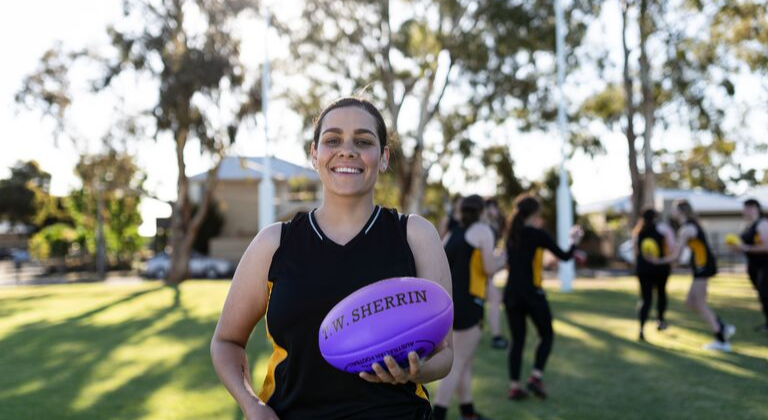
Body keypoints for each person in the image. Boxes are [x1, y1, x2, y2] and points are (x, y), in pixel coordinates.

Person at [210, 97, 454, 420]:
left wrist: (414, 370)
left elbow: (445, 354)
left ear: (383, 158)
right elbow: (226, 342)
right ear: (315, 155)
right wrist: (251, 405)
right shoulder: (274, 243)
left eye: (363, 141)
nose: (347, 150)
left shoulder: (415, 236)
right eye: (333, 140)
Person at [433, 195, 505, 420]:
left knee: (465, 361)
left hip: (448, 302)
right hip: (469, 303)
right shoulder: (483, 231)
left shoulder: (455, 233)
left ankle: (468, 412)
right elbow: (489, 268)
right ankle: (438, 414)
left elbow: (438, 259)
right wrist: (503, 259)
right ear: (482, 211)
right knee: (458, 364)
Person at [504, 194, 583, 401]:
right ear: (535, 213)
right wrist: (573, 240)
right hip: (531, 292)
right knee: (546, 334)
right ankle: (535, 377)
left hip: (511, 292)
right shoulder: (538, 234)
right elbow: (565, 256)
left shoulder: (511, 234)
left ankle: (514, 387)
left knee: (517, 341)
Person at [650, 200, 735, 352]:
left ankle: (721, 339)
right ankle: (721, 326)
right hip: (700, 266)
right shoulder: (688, 226)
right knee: (690, 302)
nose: (672, 212)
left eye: (675, 210)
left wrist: (657, 261)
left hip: (703, 266)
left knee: (699, 303)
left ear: (680, 211)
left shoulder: (687, 228)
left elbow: (676, 255)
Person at [631, 208, 674, 341]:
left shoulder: (638, 232)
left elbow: (635, 252)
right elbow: (671, 248)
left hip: (643, 269)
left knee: (645, 299)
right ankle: (660, 321)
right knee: (661, 294)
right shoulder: (663, 229)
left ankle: (641, 329)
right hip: (660, 268)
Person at [733, 199, 768, 332]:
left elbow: (766, 246)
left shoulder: (762, 224)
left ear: (757, 208)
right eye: (745, 207)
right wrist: (737, 247)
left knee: (765, 294)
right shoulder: (747, 225)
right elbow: (743, 246)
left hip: (765, 265)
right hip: (753, 265)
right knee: (762, 295)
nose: (746, 210)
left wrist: (745, 248)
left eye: (750, 207)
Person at [483, 198, 509, 350]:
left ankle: (496, 335)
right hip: (477, 274)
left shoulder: (493, 228)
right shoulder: (484, 227)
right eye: (493, 208)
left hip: (484, 274)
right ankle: (496, 336)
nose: (496, 211)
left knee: (495, 297)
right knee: (494, 297)